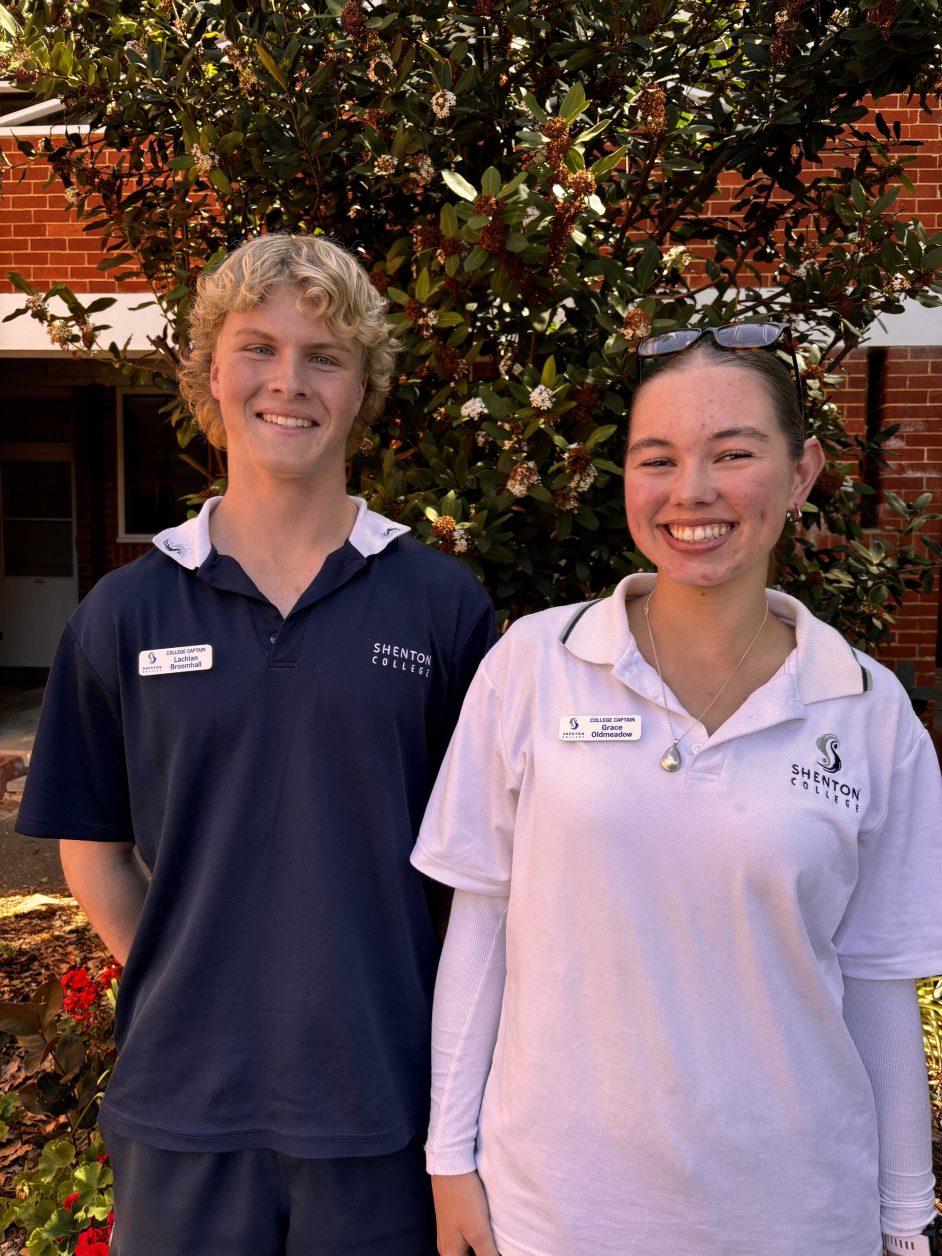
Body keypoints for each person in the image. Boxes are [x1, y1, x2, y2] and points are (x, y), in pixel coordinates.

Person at [411, 324, 942, 1256]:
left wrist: (906, 1223)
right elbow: (480, 925)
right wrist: (450, 1159)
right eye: (657, 459)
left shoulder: (868, 709)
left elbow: (880, 984)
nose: (691, 492)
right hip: (560, 1212)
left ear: (803, 470)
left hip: (802, 1216)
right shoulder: (533, 666)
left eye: (733, 453)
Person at [16, 233, 497, 1255]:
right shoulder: (124, 613)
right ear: (208, 375)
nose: (290, 380)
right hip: (183, 1101)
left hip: (384, 1100)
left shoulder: (441, 604)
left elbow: (486, 872)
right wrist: (184, 966)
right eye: (258, 348)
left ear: (365, 387)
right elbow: (91, 841)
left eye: (325, 354)